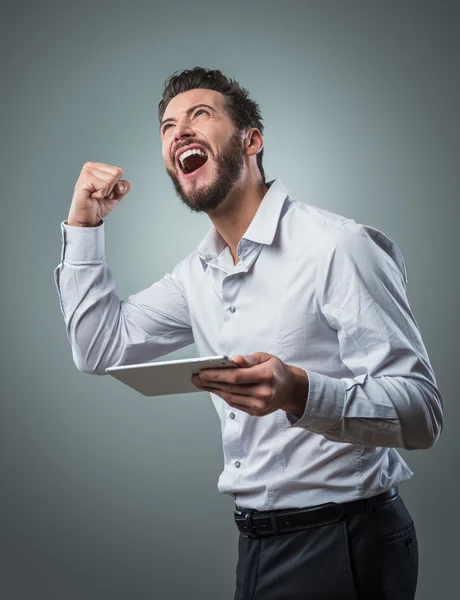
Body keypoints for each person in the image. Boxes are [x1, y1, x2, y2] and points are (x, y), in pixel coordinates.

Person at [54, 67, 444, 599]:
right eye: (168, 127)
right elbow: (98, 347)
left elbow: (423, 415)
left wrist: (299, 391)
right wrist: (83, 225)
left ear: (251, 140)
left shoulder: (338, 247)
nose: (179, 132)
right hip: (257, 545)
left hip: (348, 541)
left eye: (200, 115)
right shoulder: (196, 276)